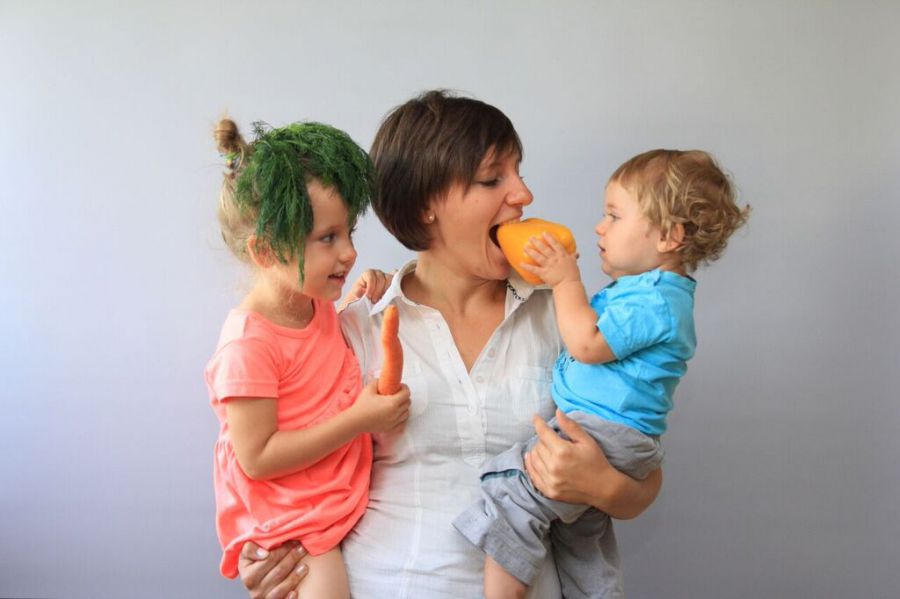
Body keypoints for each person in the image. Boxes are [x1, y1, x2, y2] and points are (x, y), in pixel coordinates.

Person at [237, 90, 664, 599]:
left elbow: (641, 473)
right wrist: (267, 551)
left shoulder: (567, 319)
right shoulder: (356, 328)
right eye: (492, 178)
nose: (524, 194)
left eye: (519, 172)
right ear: (427, 206)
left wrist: (603, 486)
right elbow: (278, 463)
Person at [453, 149, 750, 598]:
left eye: (614, 215)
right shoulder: (648, 293)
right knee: (581, 540)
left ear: (669, 236)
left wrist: (565, 281)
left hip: (603, 431)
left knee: (512, 500)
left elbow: (587, 344)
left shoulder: (655, 300)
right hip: (615, 435)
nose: (599, 227)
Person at [205, 119, 411, 598]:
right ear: (265, 251)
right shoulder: (247, 345)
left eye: (348, 232)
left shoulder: (312, 304)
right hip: (294, 527)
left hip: (324, 503)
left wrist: (353, 300)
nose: (350, 252)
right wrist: (359, 420)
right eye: (327, 238)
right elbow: (257, 457)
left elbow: (315, 365)